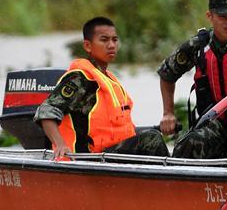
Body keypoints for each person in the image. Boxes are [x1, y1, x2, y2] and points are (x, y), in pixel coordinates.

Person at [156, 0, 227, 168]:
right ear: (210, 16)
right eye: (223, 17)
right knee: (185, 149)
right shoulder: (198, 45)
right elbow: (167, 74)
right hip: (212, 126)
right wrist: (168, 113)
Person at [35, 16, 168, 159]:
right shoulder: (80, 78)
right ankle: (172, 179)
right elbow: (45, 111)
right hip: (88, 158)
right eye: (104, 40)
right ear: (87, 46)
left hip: (111, 154)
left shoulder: (108, 78)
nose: (111, 45)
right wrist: (60, 145)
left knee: (161, 138)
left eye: (115, 40)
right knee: (150, 139)